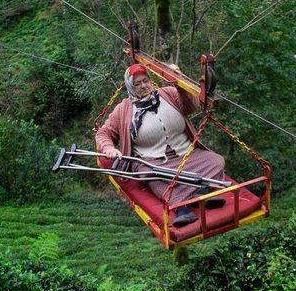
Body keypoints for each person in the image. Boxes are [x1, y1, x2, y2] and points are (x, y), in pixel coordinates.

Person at [96, 63, 226, 227]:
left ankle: (196, 194)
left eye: (146, 80)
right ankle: (184, 208)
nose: (144, 85)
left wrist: (180, 85)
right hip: (153, 162)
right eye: (137, 83)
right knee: (154, 177)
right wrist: (109, 148)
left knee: (216, 161)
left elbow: (190, 106)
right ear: (130, 87)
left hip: (186, 155)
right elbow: (103, 133)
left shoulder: (168, 94)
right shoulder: (123, 110)